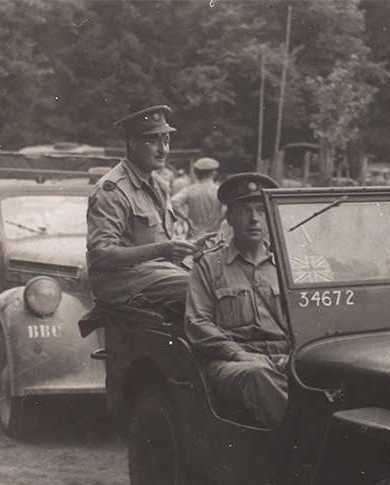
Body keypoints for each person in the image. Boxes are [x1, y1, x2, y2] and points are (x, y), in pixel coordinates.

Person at [86, 105, 214, 316]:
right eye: (153, 141)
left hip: (156, 275)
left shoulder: (160, 185)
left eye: (166, 141)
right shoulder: (113, 190)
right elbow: (101, 255)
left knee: (225, 280)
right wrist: (161, 250)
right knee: (206, 291)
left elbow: (159, 245)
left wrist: (190, 248)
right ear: (133, 144)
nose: (163, 150)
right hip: (124, 283)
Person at [185, 172, 288, 429]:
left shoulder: (287, 265)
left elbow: (308, 316)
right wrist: (240, 354)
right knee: (258, 376)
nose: (254, 219)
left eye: (261, 210)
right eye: (244, 211)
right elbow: (198, 323)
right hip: (233, 363)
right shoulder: (209, 264)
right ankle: (301, 448)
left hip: (286, 358)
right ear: (229, 217)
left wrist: (295, 355)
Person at [171, 157, 224, 240]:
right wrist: (219, 222)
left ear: (197, 174)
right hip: (215, 233)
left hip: (195, 233)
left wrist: (187, 219)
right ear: (214, 173)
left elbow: (173, 202)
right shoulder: (219, 190)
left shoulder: (189, 190)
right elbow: (231, 207)